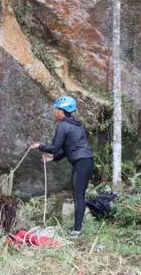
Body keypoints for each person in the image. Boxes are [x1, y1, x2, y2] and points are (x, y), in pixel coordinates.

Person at [30, 95, 94, 237]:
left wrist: (39, 146)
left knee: (79, 196)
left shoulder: (63, 126)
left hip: (81, 163)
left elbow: (55, 147)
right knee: (79, 195)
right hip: (86, 161)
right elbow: (66, 149)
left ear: (61, 111)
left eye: (57, 109)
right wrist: (53, 158)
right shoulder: (76, 125)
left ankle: (77, 230)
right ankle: (77, 228)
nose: (55, 112)